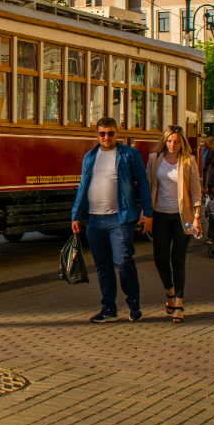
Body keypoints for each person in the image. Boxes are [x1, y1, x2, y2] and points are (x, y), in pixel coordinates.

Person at [71, 116, 153, 323]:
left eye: (110, 133)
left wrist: (148, 213)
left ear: (117, 133)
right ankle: (108, 308)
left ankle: (134, 305)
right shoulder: (90, 156)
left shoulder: (129, 154)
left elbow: (143, 183)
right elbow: (82, 186)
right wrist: (76, 215)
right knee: (103, 266)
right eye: (102, 133)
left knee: (124, 262)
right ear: (96, 134)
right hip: (94, 220)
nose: (106, 137)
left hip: (120, 218)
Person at [146, 126, 202, 324]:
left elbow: (195, 190)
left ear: (182, 143)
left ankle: (178, 304)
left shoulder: (189, 161)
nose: (173, 145)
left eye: (177, 141)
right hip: (160, 215)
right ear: (165, 141)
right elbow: (148, 186)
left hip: (182, 217)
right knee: (160, 259)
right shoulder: (155, 159)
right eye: (170, 141)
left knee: (178, 260)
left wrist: (197, 216)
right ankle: (169, 291)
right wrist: (146, 214)